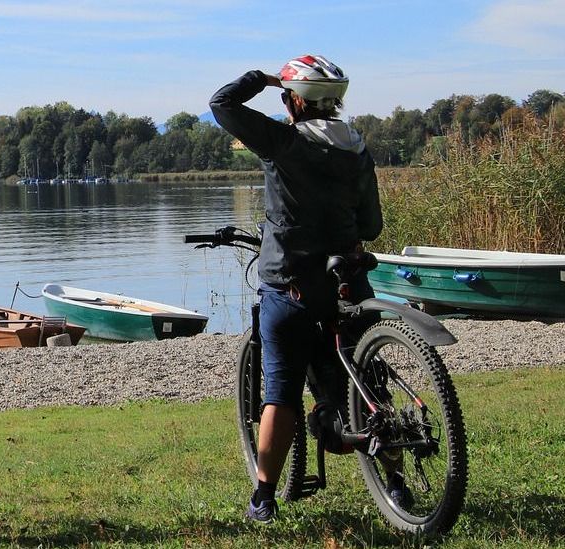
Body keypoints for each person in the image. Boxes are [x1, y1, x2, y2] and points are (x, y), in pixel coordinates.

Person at [209, 55, 387, 523]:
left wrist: (261, 79)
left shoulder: (284, 142)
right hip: (348, 282)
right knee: (362, 380)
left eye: (287, 94)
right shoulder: (358, 149)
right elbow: (371, 225)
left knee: (281, 392)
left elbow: (222, 103)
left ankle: (263, 499)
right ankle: (396, 481)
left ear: (293, 100)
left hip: (291, 284)